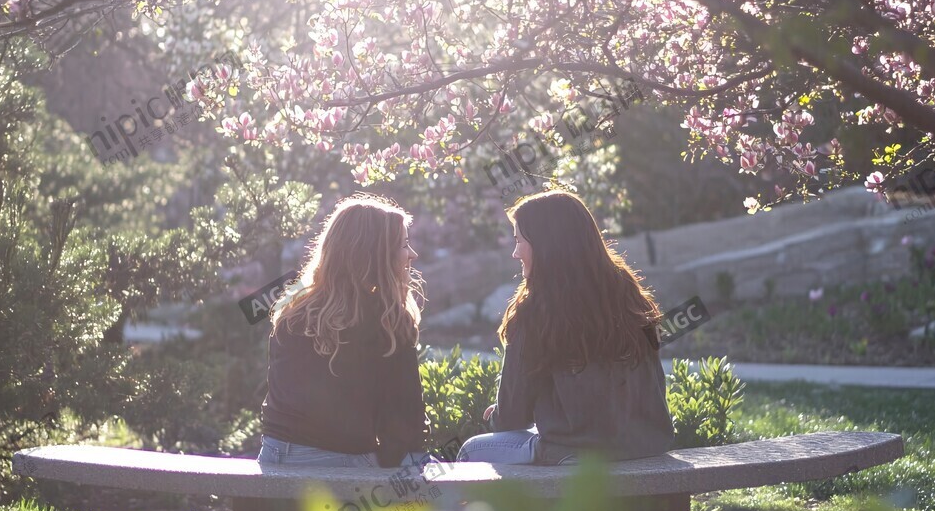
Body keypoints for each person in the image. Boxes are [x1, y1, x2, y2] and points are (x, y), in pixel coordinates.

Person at [457, 190, 675, 465]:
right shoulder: (629, 295)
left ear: (545, 245)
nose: (515, 253)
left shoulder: (536, 311)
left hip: (577, 453)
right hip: (647, 445)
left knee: (471, 450)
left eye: (519, 241)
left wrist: (498, 415)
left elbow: (511, 417)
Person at [258, 194, 431, 469]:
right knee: (423, 470)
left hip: (274, 455)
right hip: (340, 461)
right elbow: (405, 422)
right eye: (403, 245)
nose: (412, 254)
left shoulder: (292, 311)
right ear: (374, 255)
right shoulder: (387, 320)